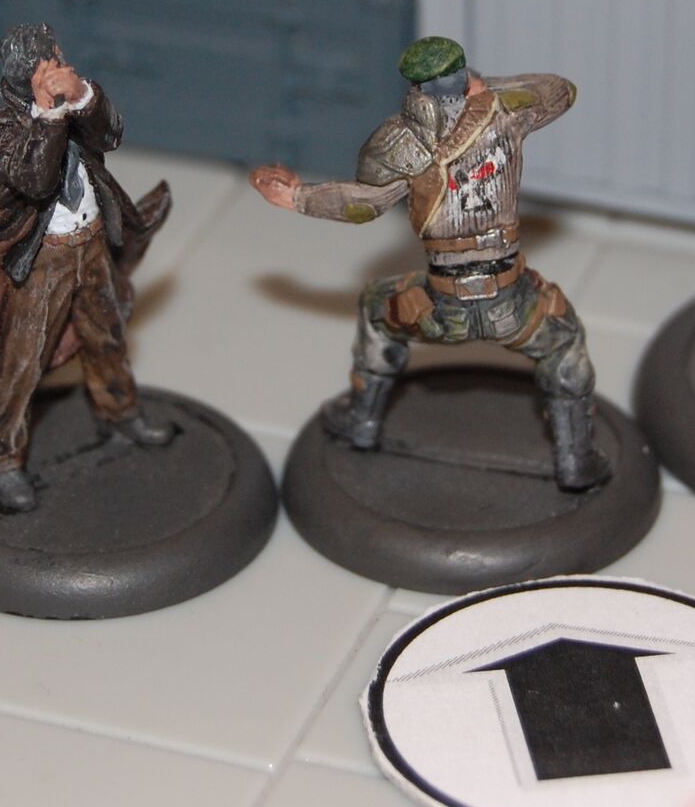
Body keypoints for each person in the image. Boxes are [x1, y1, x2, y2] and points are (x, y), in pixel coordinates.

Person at [251, 37, 609, 491]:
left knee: (375, 308)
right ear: (464, 75)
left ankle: (362, 422)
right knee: (565, 342)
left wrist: (297, 197)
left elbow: (363, 205)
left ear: (416, 88)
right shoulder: (506, 112)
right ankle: (576, 460)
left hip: (442, 308)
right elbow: (561, 90)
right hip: (513, 303)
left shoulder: (401, 143)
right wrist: (486, 88)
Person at [0, 23, 173, 513]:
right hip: (43, 259)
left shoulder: (75, 104)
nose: (64, 64)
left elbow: (111, 134)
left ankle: (121, 412)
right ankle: (3, 461)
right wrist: (49, 115)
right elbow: (36, 180)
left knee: (107, 335)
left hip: (91, 245)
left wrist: (83, 96)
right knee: (23, 362)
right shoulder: (4, 126)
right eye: (54, 61)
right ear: (31, 76)